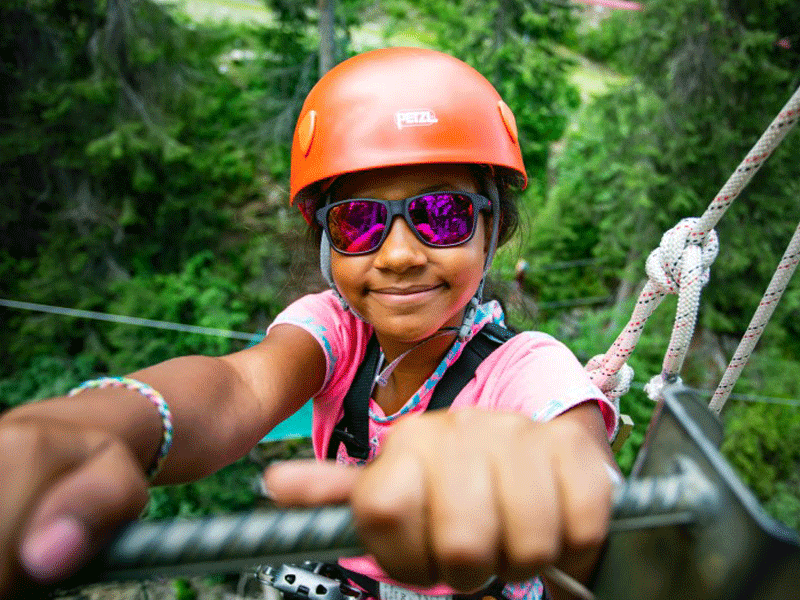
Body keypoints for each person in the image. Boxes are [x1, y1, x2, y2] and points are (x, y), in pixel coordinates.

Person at [0, 47, 619, 600]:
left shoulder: (526, 367)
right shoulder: (338, 333)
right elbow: (237, 388)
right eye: (359, 223)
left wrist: (547, 468)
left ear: (494, 229)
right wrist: (101, 424)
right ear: (326, 244)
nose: (400, 255)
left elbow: (576, 457)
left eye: (443, 214)